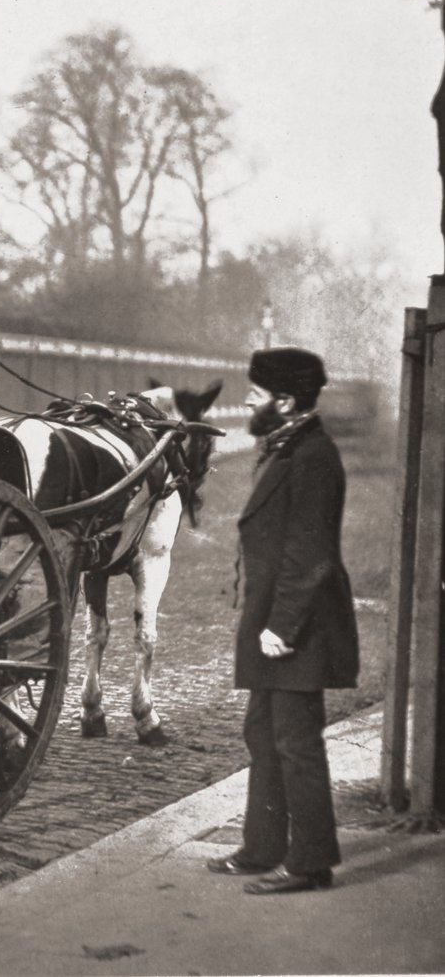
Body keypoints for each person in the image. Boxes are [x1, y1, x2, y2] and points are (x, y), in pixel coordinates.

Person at [207, 346, 359, 895]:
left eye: (257, 392)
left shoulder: (313, 456)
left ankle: (310, 864)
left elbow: (311, 552)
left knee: (296, 741)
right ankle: (263, 847)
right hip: (276, 621)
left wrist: (282, 626)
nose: (248, 399)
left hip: (299, 627)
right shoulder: (288, 446)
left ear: (286, 401)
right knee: (263, 733)